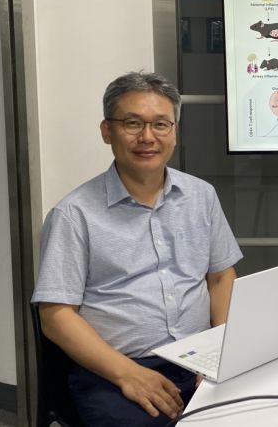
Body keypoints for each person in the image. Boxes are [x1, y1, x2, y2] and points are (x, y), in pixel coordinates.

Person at [31, 72, 243, 426]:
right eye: (132, 123)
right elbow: (56, 316)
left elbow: (221, 277)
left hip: (200, 357)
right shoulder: (73, 214)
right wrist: (128, 374)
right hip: (117, 369)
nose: (147, 137)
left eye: (160, 124)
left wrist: (221, 351)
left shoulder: (201, 196)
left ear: (174, 131)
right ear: (106, 131)